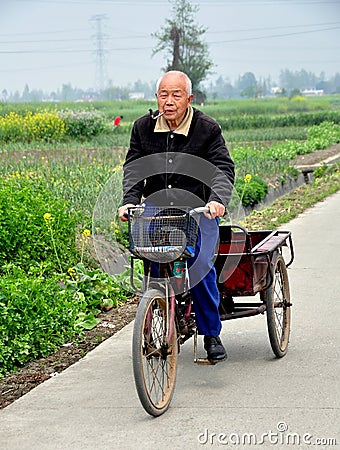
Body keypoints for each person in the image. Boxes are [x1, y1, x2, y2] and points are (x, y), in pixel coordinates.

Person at [118, 70, 235, 362]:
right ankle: (158, 317)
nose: (168, 101)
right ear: (157, 97)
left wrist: (217, 200)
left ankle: (211, 334)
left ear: (189, 98)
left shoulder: (206, 128)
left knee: (200, 264)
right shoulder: (143, 128)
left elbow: (223, 168)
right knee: (152, 258)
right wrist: (129, 201)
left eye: (176, 95)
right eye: (163, 94)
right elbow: (134, 170)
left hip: (200, 210)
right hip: (159, 209)